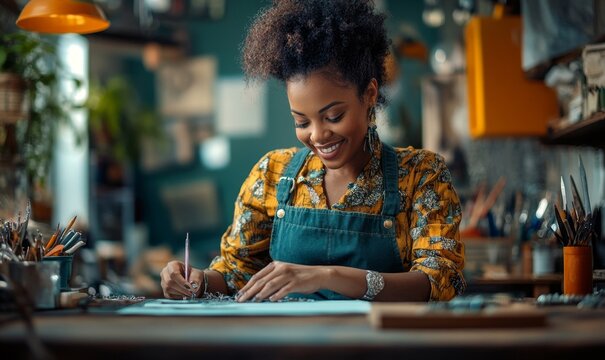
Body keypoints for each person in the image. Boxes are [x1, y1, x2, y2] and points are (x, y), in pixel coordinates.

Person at [160, 0, 465, 302]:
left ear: (370, 94)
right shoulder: (272, 174)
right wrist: (197, 282)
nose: (318, 135)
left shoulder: (420, 176)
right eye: (301, 121)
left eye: (334, 117)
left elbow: (439, 282)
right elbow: (235, 276)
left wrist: (326, 275)